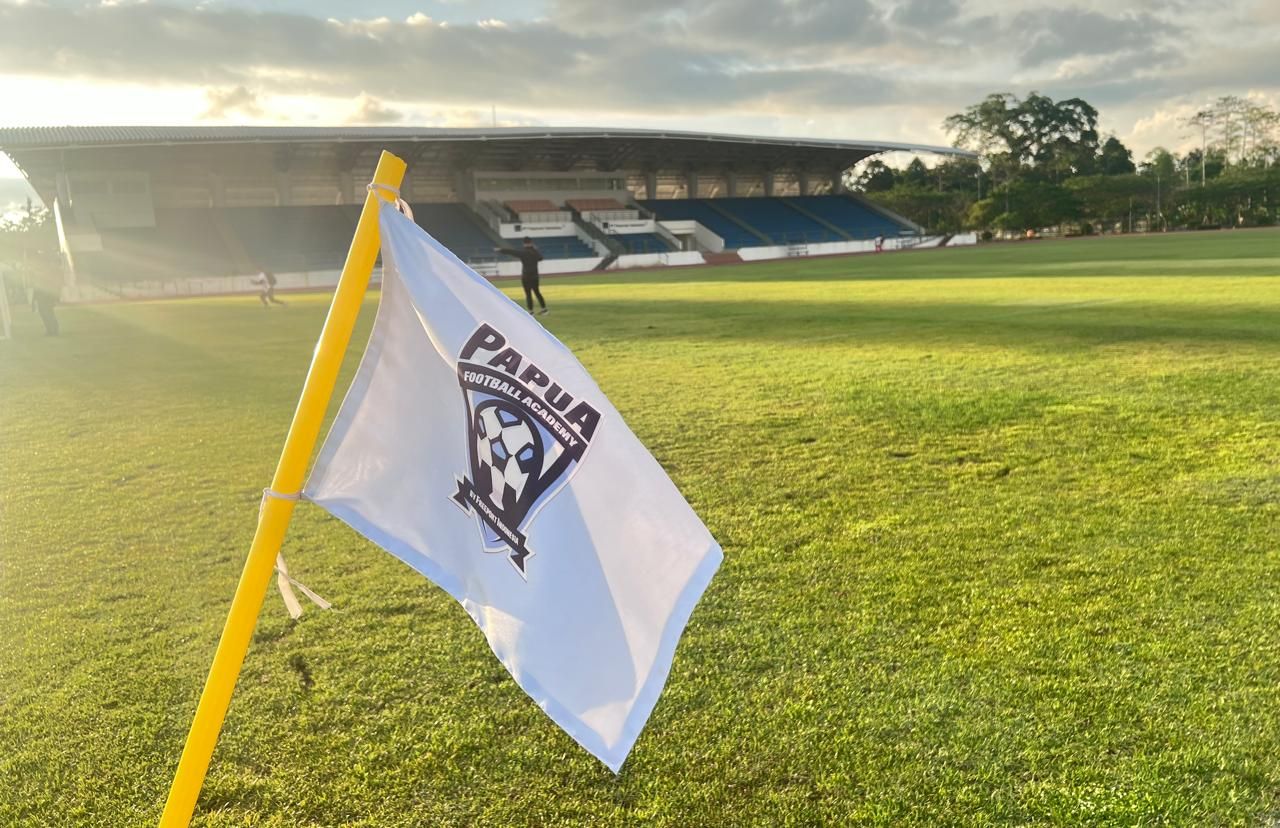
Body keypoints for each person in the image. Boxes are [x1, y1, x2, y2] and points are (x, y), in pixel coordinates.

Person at [496, 237, 547, 315]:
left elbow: (512, 252)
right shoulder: (534, 252)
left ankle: (531, 311)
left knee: (528, 294)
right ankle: (544, 309)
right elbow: (541, 258)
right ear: (531, 243)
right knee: (537, 292)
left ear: (524, 244)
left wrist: (501, 250)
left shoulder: (523, 253)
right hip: (535, 276)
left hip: (526, 276)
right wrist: (535, 249)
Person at [29, 249, 60, 336]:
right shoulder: (38, 272)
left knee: (48, 312)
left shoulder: (46, 271)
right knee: (44, 312)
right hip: (41, 295)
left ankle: (53, 329)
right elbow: (36, 286)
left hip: (46, 295)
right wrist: (34, 299)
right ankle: (50, 329)